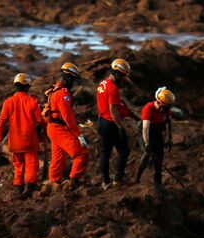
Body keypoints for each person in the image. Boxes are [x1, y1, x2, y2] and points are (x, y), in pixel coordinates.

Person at [0, 73, 45, 198]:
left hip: (15, 142)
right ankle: (28, 189)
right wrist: (47, 127)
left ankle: (18, 187)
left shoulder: (8, 102)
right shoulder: (32, 102)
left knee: (18, 165)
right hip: (29, 141)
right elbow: (41, 120)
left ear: (15, 86)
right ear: (27, 87)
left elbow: (1, 123)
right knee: (32, 164)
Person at [42, 62, 88, 191]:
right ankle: (73, 182)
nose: (74, 83)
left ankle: (53, 181)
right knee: (81, 153)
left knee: (58, 157)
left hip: (52, 128)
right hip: (59, 128)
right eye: (73, 79)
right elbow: (67, 117)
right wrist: (79, 135)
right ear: (68, 77)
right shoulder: (63, 94)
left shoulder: (54, 90)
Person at [96, 58, 140, 190]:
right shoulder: (113, 89)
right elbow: (113, 109)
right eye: (122, 76)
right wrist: (120, 127)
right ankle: (118, 179)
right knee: (124, 151)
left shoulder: (102, 84)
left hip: (101, 121)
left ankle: (105, 181)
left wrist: (133, 116)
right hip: (111, 123)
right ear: (117, 73)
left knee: (105, 152)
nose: (123, 79)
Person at [135, 87, 175, 186]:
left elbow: (169, 122)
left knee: (159, 155)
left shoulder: (166, 109)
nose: (167, 109)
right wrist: (146, 143)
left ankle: (158, 182)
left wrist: (170, 137)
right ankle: (137, 178)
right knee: (147, 153)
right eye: (166, 106)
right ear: (160, 103)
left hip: (157, 132)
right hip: (146, 132)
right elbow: (145, 128)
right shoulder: (148, 108)